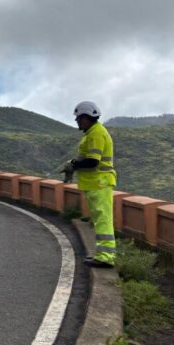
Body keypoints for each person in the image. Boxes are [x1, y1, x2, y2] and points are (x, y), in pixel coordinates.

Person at [62, 101, 117, 268]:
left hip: (99, 183)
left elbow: (93, 161)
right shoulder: (91, 133)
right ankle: (102, 255)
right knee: (100, 220)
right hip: (95, 184)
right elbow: (85, 157)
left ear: (86, 118)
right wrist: (73, 162)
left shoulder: (96, 134)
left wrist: (74, 166)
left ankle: (106, 257)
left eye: (79, 118)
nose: (77, 121)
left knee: (103, 220)